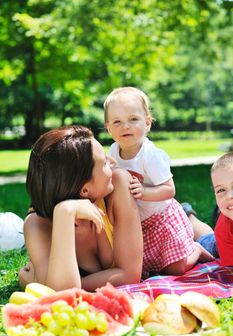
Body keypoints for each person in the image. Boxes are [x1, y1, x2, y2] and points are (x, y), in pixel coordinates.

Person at [104, 86, 214, 279]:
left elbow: (169, 190)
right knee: (151, 268)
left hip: (162, 219)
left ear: (147, 122)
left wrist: (144, 192)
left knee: (175, 269)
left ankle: (195, 250)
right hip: (140, 224)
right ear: (108, 128)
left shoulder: (150, 155)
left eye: (133, 119)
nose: (125, 126)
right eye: (117, 122)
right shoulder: (113, 151)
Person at [19, 125, 143, 291]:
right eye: (105, 162)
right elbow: (64, 296)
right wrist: (65, 212)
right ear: (85, 190)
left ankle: (189, 213)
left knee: (188, 227)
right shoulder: (38, 225)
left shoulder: (118, 183)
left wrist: (42, 283)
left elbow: (130, 275)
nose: (113, 162)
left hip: (160, 227)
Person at [211, 152, 233, 266]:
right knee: (206, 242)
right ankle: (188, 216)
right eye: (221, 190)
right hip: (220, 243)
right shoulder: (223, 230)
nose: (229, 195)